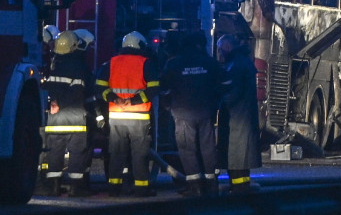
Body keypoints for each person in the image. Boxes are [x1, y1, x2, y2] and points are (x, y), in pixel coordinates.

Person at [95, 31, 160, 197]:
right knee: (140, 154)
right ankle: (141, 188)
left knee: (116, 153)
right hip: (139, 117)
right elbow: (154, 88)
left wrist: (115, 99)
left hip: (116, 116)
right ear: (139, 45)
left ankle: (114, 188)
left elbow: (99, 88)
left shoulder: (110, 63)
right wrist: (134, 101)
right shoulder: (146, 63)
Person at [161, 31, 223, 196]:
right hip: (205, 112)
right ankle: (211, 184)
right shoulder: (210, 63)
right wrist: (213, 106)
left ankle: (194, 185)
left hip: (182, 113)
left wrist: (169, 108)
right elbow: (221, 86)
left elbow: (164, 89)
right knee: (208, 148)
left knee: (187, 149)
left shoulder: (173, 64)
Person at [42, 30, 93, 197]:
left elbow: (47, 88)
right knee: (77, 153)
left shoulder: (52, 64)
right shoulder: (79, 65)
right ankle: (75, 188)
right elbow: (79, 92)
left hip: (54, 118)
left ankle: (53, 187)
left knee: (55, 152)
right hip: (75, 117)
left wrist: (53, 102)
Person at [216, 34, 261, 193]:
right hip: (242, 118)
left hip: (236, 120)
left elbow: (232, 93)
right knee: (240, 158)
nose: (220, 54)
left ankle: (239, 188)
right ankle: (241, 186)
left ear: (227, 47)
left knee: (236, 157)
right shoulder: (241, 62)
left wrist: (216, 100)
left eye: (221, 50)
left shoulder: (235, 65)